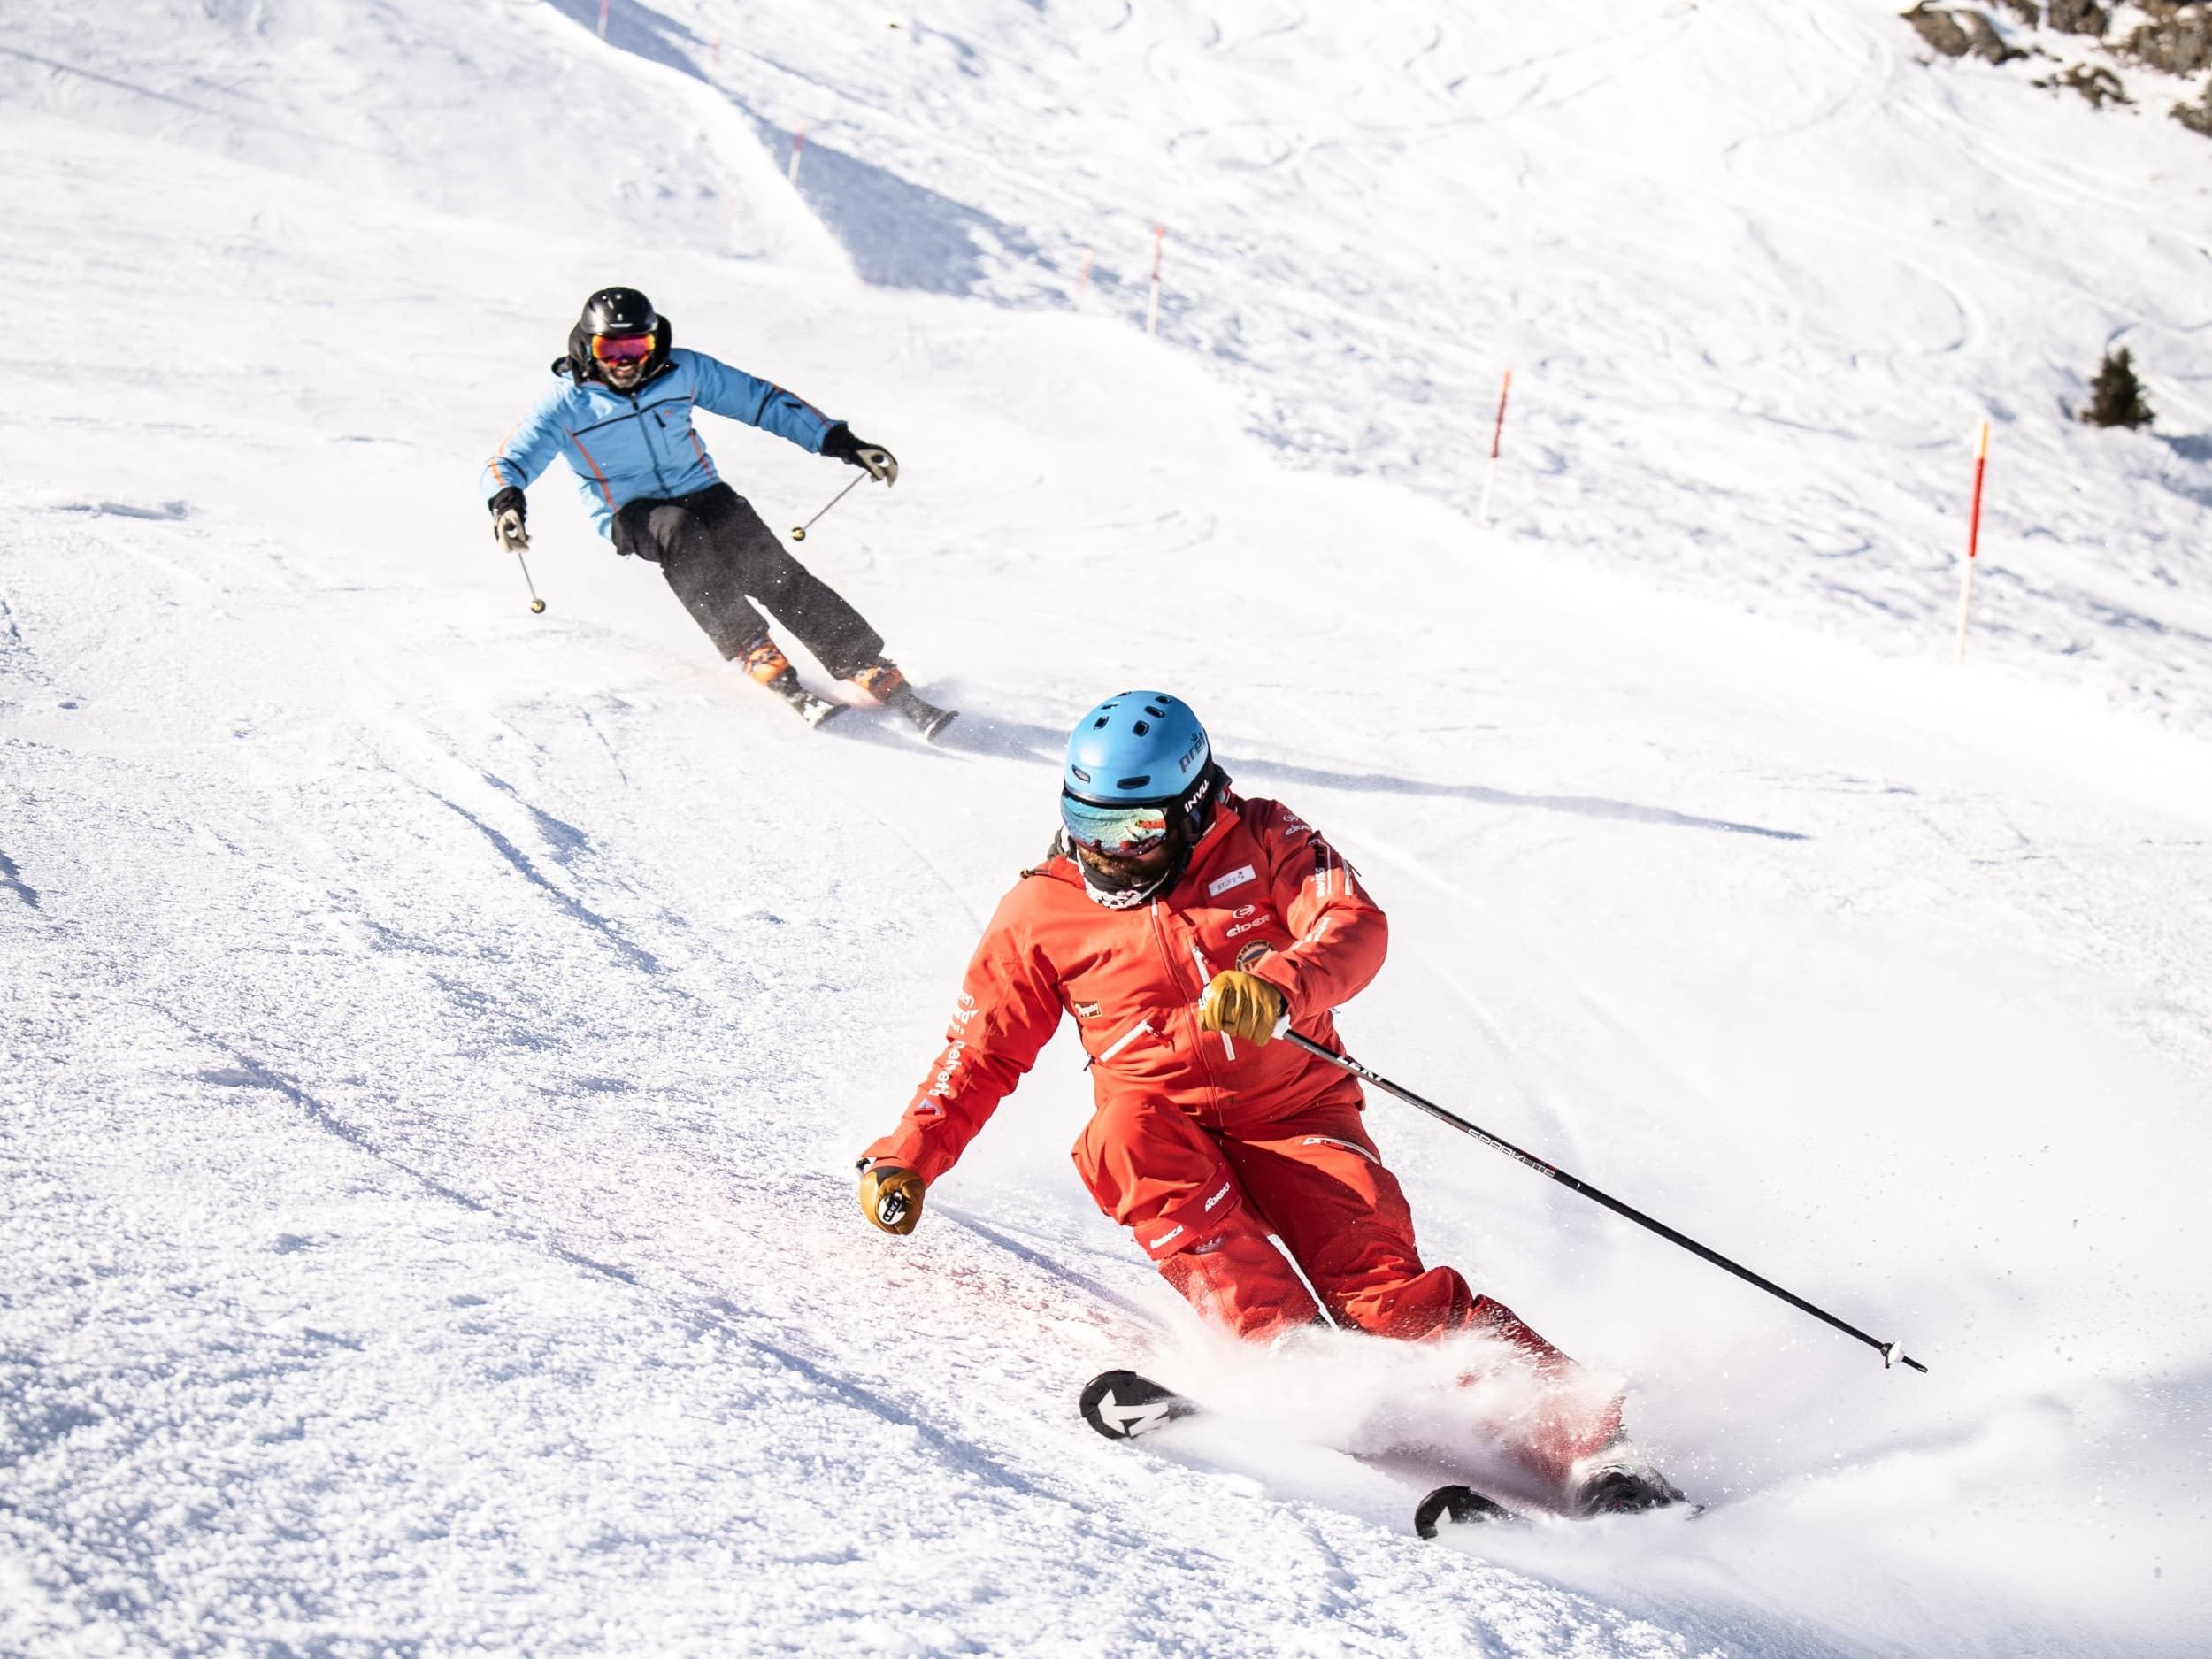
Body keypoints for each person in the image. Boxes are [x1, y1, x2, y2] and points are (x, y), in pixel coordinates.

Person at [853, 690, 1678, 1514]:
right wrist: (908, 1155)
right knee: (1121, 1131)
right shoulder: (1042, 911)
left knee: (1386, 1299)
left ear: (1191, 805)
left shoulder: (1266, 838)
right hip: (1166, 1129)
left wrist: (1280, 986)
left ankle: (1596, 1448)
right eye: (1087, 825)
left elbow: (1355, 925)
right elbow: (982, 1049)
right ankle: (1286, 1353)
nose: (1105, 856)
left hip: (1297, 1116)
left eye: (1133, 834)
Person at [480, 287, 953, 736]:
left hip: (702, 490)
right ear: (588, 347)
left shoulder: (682, 371)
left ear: (654, 341)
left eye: (637, 348)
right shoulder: (566, 403)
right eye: (611, 351)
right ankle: (753, 648)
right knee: (678, 531)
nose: (626, 364)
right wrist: (507, 504)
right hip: (630, 512)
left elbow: (762, 402)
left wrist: (842, 443)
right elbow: (510, 460)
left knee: (769, 566)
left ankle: (863, 662)